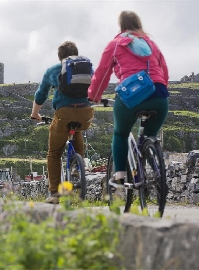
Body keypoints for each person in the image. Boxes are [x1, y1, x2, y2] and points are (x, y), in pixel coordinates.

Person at [88, 10, 169, 188]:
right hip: (159, 95)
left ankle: (120, 174)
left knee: (120, 133)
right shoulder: (152, 44)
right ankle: (150, 170)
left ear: (121, 25)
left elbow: (101, 74)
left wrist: (94, 96)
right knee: (150, 135)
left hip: (131, 96)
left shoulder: (116, 44)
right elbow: (164, 72)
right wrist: (160, 93)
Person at [31, 41, 95, 204]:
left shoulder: (54, 70)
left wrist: (35, 113)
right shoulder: (86, 68)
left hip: (63, 114)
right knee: (77, 135)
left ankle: (54, 193)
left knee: (54, 153)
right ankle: (77, 173)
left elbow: (41, 95)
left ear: (60, 57)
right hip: (85, 114)